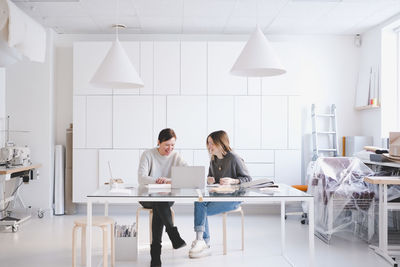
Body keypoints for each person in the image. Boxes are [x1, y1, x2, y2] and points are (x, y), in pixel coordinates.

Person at [189, 130, 251, 258]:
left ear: (221, 143)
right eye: (208, 143)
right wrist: (209, 180)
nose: (209, 146)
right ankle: (202, 241)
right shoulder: (213, 160)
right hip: (219, 196)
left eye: (211, 143)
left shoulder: (234, 158)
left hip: (233, 199)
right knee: (199, 201)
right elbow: (214, 180)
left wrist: (233, 181)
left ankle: (203, 241)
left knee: (202, 208)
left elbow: (248, 180)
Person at [138, 128, 187, 267]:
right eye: (167, 145)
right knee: (159, 203)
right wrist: (157, 181)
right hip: (147, 197)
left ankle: (155, 256)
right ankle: (173, 234)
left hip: (166, 197)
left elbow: (187, 174)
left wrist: (167, 181)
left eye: (173, 145)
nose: (170, 148)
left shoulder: (176, 156)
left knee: (160, 204)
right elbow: (141, 178)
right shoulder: (148, 154)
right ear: (158, 142)